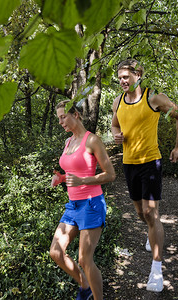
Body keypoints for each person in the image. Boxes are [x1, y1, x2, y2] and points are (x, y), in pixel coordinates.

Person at [111, 59, 178, 292]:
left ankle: (156, 268)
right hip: (129, 164)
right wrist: (116, 134)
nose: (123, 81)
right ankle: (151, 231)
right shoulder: (117, 102)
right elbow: (114, 125)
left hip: (150, 163)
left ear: (139, 75)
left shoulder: (154, 99)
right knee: (139, 212)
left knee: (151, 213)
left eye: (127, 76)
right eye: (120, 77)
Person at [50, 100, 116, 300]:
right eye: (59, 118)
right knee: (56, 252)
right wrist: (61, 178)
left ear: (75, 115)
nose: (61, 122)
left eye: (63, 116)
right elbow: (72, 172)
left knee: (85, 259)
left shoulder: (92, 140)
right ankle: (85, 285)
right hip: (73, 205)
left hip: (91, 203)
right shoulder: (68, 141)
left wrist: (82, 180)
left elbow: (110, 174)